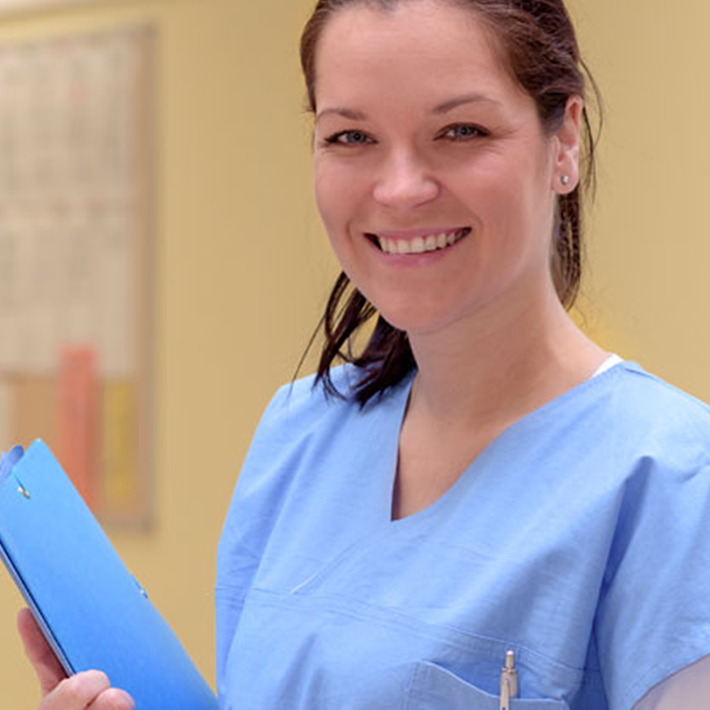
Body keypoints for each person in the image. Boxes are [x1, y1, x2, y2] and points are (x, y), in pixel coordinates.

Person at [17, 0, 710, 708]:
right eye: (351, 137)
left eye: (460, 130)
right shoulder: (298, 435)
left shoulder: (673, 483)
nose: (400, 189)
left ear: (564, 141)